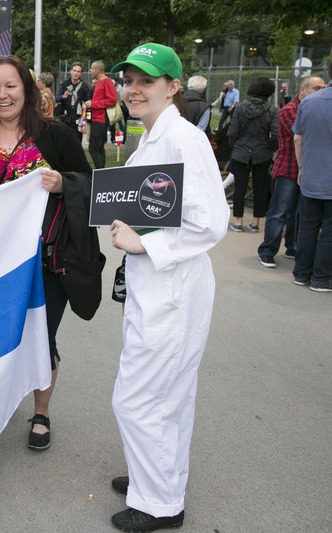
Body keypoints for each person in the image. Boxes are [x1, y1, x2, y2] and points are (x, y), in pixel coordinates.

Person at [105, 43, 228, 532]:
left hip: (173, 288)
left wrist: (141, 246)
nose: (133, 90)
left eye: (146, 81)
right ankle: (152, 479)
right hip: (155, 285)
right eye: (128, 80)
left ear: (173, 87)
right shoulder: (153, 135)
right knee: (165, 396)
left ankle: (160, 505)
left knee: (141, 398)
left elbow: (210, 223)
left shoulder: (183, 140)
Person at [0, 55, 92, 451]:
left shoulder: (55, 135)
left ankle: (40, 413)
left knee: (42, 337)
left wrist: (63, 184)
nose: (2, 95)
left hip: (46, 259)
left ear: (26, 89)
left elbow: (91, 183)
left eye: (11, 86)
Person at [257, 76, 326, 268]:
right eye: (316, 87)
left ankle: (292, 246)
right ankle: (268, 250)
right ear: (302, 90)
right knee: (279, 211)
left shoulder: (312, 108)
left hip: (306, 170)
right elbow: (304, 135)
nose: (320, 91)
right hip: (288, 168)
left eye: (323, 87)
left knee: (298, 213)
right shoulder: (289, 111)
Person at [292, 79, 332, 292]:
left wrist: (301, 168)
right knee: (329, 231)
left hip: (311, 174)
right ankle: (321, 278)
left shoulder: (309, 101)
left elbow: (298, 138)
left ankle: (301, 272)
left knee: (307, 225)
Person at [228, 77, 278, 233]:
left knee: (240, 187)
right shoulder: (273, 110)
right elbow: (275, 135)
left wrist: (235, 146)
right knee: (260, 188)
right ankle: (256, 222)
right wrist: (269, 148)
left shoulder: (241, 107)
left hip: (241, 151)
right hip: (262, 152)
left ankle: (238, 221)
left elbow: (232, 132)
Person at [85, 60, 117, 169]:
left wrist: (93, 104)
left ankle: (99, 171)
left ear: (97, 70)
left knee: (93, 148)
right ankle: (101, 171)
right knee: (98, 148)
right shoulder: (99, 82)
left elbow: (113, 99)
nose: (90, 71)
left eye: (92, 68)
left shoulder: (106, 81)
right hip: (95, 119)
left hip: (100, 119)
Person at [54, 62, 89, 140]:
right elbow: (56, 98)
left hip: (78, 118)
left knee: (77, 141)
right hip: (65, 117)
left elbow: (88, 101)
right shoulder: (64, 84)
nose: (76, 73)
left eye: (78, 71)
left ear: (81, 74)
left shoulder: (84, 86)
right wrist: (63, 96)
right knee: (65, 140)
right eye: (74, 70)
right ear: (71, 71)